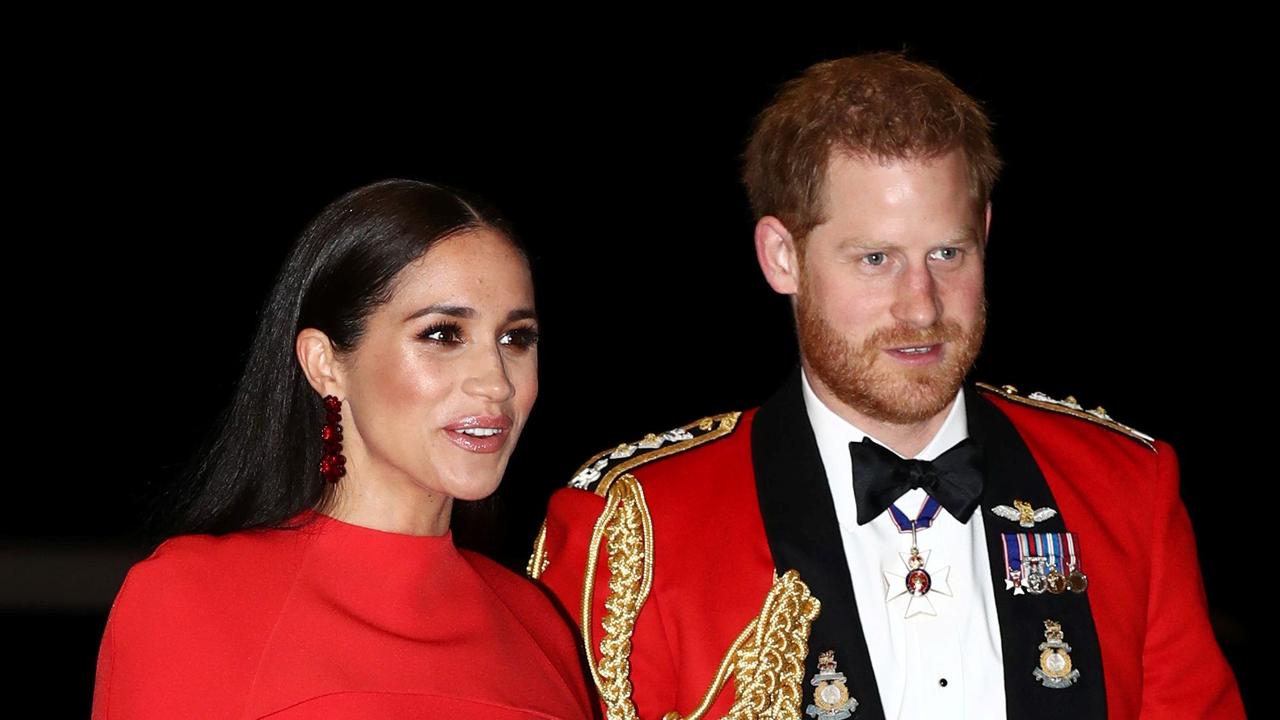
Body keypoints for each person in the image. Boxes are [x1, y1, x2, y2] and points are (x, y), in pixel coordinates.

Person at [530, 54, 1245, 719]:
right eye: (876, 258)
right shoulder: (633, 529)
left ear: (985, 233)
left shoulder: (1124, 487)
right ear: (783, 257)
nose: (923, 306)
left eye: (946, 252)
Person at [92, 179, 594, 719]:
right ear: (325, 363)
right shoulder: (193, 598)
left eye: (515, 338)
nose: (496, 382)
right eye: (443, 334)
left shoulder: (537, 623)